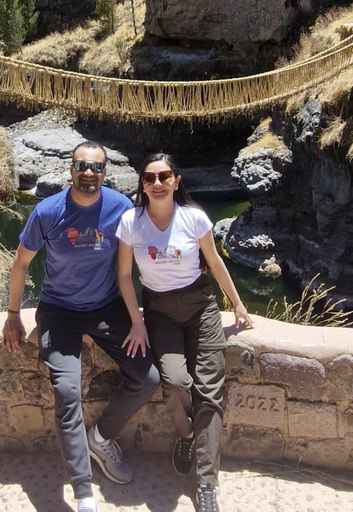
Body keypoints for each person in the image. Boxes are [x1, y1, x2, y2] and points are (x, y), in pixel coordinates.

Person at [2, 141, 161, 512]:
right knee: (67, 393)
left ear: (106, 172)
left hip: (108, 307)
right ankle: (83, 490)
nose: (89, 173)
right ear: (70, 169)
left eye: (96, 167)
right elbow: (21, 263)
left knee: (149, 378)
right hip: (58, 312)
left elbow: (151, 245)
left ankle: (101, 438)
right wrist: (13, 313)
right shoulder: (47, 211)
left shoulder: (121, 208)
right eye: (81, 166)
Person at [116, 153, 253, 512]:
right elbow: (124, 277)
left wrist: (236, 302)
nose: (157, 183)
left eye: (164, 176)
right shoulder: (131, 222)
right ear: (142, 184)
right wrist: (136, 320)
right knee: (175, 381)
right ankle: (187, 435)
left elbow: (216, 261)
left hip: (200, 307)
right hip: (159, 311)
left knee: (210, 392)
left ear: (177, 180)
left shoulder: (194, 218)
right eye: (149, 178)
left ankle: (206, 483)